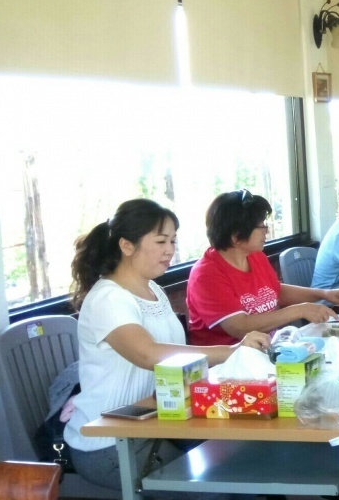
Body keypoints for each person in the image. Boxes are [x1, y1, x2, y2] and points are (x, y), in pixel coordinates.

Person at [65, 199, 270, 496]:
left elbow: (178, 361)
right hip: (109, 442)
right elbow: (148, 354)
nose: (170, 249)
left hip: (155, 425)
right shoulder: (108, 298)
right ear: (126, 245)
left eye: (173, 240)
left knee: (244, 468)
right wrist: (232, 350)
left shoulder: (154, 291)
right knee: (218, 489)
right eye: (161, 241)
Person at [186, 190, 339, 346]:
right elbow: (240, 327)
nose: (266, 231)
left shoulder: (255, 256)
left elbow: (275, 291)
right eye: (261, 226)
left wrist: (324, 294)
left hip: (267, 351)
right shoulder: (206, 275)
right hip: (226, 367)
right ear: (236, 237)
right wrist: (300, 310)